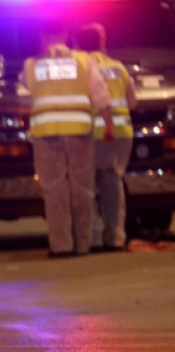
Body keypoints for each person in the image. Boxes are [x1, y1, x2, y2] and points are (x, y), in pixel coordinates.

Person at [21, 20, 113, 257]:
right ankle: (83, 244)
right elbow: (100, 93)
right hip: (79, 131)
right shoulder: (83, 60)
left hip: (46, 133)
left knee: (54, 189)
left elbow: (23, 91)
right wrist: (108, 124)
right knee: (82, 187)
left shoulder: (31, 65)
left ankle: (60, 245)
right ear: (65, 34)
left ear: (43, 37)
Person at [75, 23, 136, 251]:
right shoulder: (118, 67)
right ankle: (116, 237)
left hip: (90, 132)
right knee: (113, 183)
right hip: (120, 133)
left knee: (87, 185)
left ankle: (92, 237)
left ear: (78, 44)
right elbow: (132, 102)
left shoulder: (80, 68)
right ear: (103, 42)